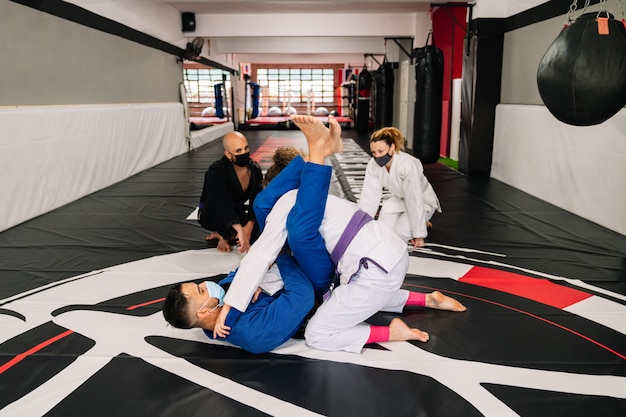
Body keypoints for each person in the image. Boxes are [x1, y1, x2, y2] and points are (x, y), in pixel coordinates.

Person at [215, 115, 466, 354]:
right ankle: (427, 300)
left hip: (374, 270)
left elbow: (262, 253)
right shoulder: (309, 201)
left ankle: (392, 332)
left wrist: (232, 305)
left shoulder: (287, 207)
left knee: (317, 333)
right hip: (383, 255)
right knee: (275, 216)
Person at [358, 127, 441, 248]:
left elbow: (414, 199)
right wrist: (361, 223)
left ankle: (422, 221)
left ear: (392, 148)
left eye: (381, 151)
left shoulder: (407, 164)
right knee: (382, 231)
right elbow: (369, 195)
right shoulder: (373, 164)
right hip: (399, 199)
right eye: (374, 152)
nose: (377, 156)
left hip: (423, 201)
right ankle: (419, 221)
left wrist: (418, 235)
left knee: (399, 234)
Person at [198, 131, 263, 253]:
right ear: (228, 155)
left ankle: (231, 232)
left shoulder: (254, 169)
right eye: (238, 151)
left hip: (237, 209)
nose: (244, 153)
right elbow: (221, 203)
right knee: (219, 216)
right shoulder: (216, 171)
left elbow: (256, 199)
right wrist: (237, 230)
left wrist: (247, 229)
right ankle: (224, 235)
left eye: (246, 148)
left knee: (259, 227)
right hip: (211, 210)